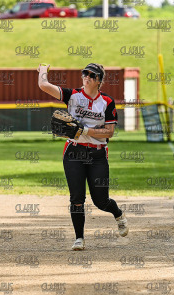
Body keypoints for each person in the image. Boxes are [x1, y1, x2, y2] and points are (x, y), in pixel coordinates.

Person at [38, 63, 129, 250]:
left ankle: (118, 214)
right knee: (77, 197)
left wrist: (85, 130)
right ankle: (79, 238)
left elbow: (109, 133)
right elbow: (44, 86)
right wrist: (42, 72)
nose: (87, 77)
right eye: (84, 73)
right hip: (74, 152)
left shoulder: (107, 101)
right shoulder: (73, 96)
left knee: (101, 201)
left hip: (97, 155)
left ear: (99, 81)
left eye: (92, 75)